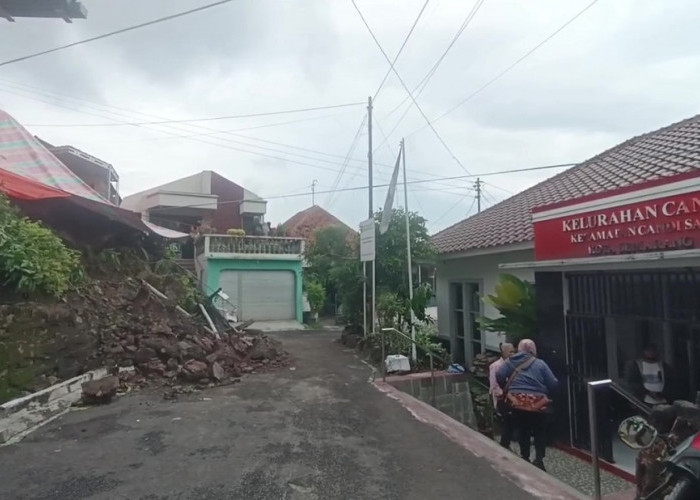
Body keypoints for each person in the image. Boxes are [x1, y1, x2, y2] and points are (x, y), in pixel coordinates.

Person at [497, 339, 558, 471]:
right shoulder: (540, 364)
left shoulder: (510, 361)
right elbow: (553, 383)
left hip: (516, 402)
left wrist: (507, 388)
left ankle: (525, 457)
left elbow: (499, 375)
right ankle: (539, 459)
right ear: (533, 349)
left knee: (523, 430)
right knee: (539, 431)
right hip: (538, 404)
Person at [489, 342, 515, 448]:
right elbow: (494, 386)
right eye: (510, 352)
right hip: (502, 398)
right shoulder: (495, 366)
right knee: (506, 421)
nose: (512, 354)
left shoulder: (515, 364)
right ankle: (505, 444)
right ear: (503, 352)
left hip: (513, 397)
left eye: (514, 351)